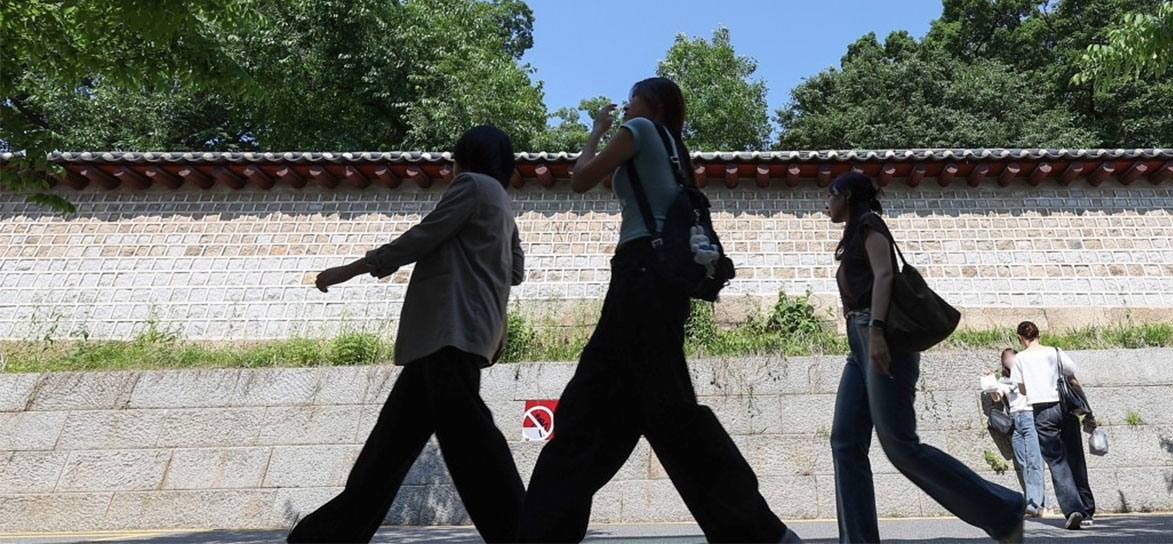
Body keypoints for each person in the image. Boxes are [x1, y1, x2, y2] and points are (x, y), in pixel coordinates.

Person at [517, 77, 801, 543]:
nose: (627, 106)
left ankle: (760, 531)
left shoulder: (643, 132)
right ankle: (541, 530)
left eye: (633, 98)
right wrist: (606, 131)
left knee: (662, 414)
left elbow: (581, 179)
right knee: (599, 412)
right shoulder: (672, 153)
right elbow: (606, 179)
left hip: (640, 278)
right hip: (654, 283)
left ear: (655, 104)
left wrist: (597, 129)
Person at [287, 126, 526, 544]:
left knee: (473, 444)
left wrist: (350, 270)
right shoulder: (502, 202)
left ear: (465, 158)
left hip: (448, 331)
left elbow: (421, 237)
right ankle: (326, 535)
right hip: (468, 333)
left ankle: (524, 531)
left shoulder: (470, 185)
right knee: (388, 452)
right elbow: (517, 271)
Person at [826, 172, 1024, 544]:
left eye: (830, 194)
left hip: (879, 335)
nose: (826, 203)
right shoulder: (852, 234)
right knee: (845, 441)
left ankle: (1005, 513)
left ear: (848, 196)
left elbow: (886, 275)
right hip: (859, 343)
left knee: (900, 445)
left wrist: (878, 331)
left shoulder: (869, 222)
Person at [1009, 321, 1097, 530]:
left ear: (1020, 338)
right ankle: (1087, 510)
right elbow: (1073, 380)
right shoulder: (1055, 352)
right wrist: (1089, 412)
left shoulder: (1020, 358)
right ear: (1039, 334)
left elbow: (1021, 390)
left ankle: (1073, 509)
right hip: (1065, 408)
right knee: (1076, 457)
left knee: (1057, 462)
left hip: (1042, 412)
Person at [983, 348, 1047, 518]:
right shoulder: (1005, 380)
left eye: (1013, 357)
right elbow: (997, 398)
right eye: (1007, 358)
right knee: (1023, 462)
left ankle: (1036, 504)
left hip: (1030, 416)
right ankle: (1040, 504)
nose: (1010, 360)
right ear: (1004, 363)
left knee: (1035, 460)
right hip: (1015, 420)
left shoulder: (1029, 374)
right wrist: (990, 381)